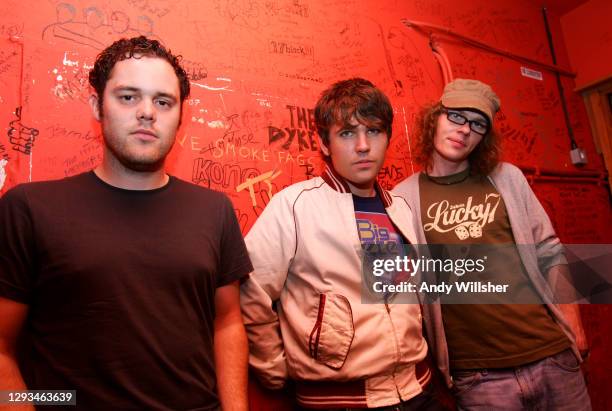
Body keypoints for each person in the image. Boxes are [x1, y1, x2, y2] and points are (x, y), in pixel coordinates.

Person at [0, 36, 252, 410]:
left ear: (180, 117)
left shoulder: (213, 210)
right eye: (128, 97)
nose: (147, 112)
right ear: (97, 106)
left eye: (163, 101)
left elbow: (228, 323)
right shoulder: (30, 208)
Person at [240, 78, 443, 410]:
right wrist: (273, 366)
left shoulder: (400, 208)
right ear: (323, 143)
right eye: (347, 133)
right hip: (338, 401)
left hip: (418, 391)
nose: (363, 146)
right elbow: (248, 291)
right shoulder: (294, 206)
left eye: (374, 131)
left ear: (387, 137)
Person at [393, 78, 591, 410]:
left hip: (551, 356)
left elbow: (550, 251)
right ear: (435, 117)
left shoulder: (506, 178)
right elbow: (399, 288)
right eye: (456, 116)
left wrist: (574, 325)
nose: (464, 130)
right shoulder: (403, 198)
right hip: (479, 376)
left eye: (478, 124)